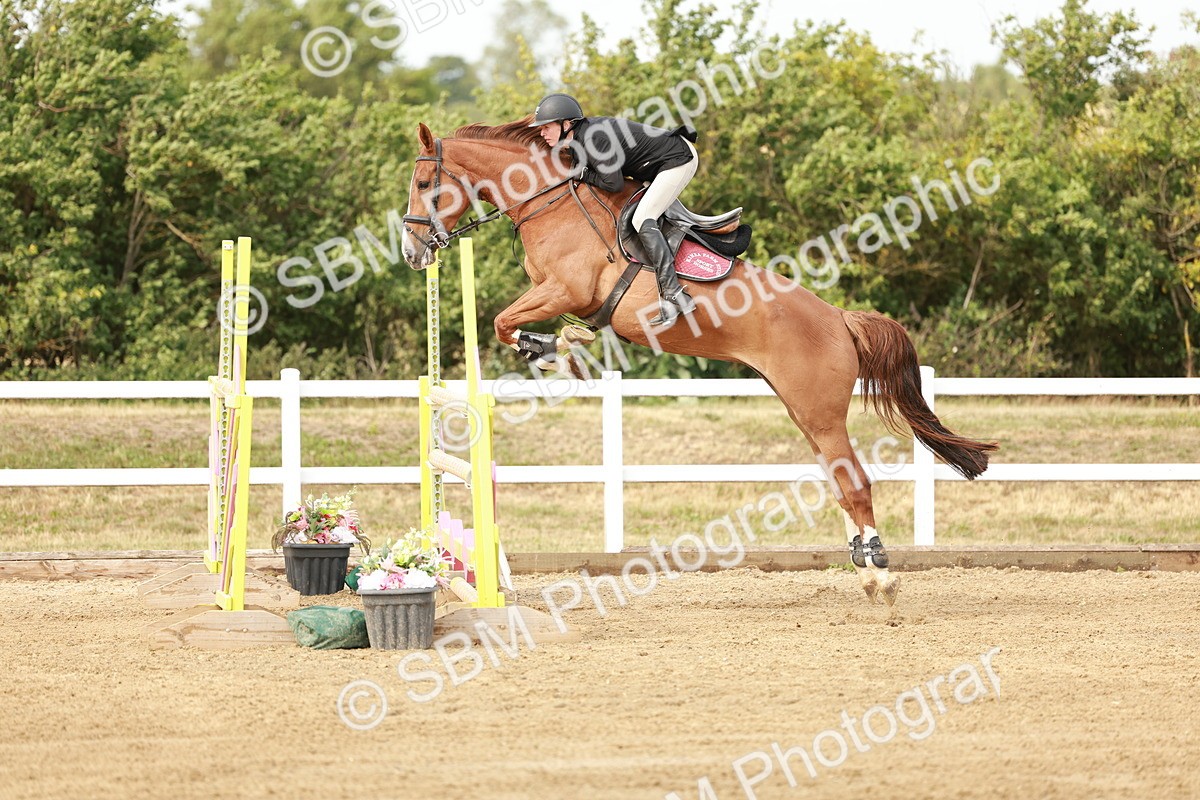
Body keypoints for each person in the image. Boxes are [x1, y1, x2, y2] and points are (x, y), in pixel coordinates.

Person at [529, 93, 699, 326]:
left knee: (642, 218)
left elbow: (613, 183)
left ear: (566, 124)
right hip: (655, 166)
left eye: (546, 127)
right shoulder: (578, 139)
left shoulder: (593, 139)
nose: (542, 133)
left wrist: (584, 174)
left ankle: (674, 293)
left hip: (677, 160)